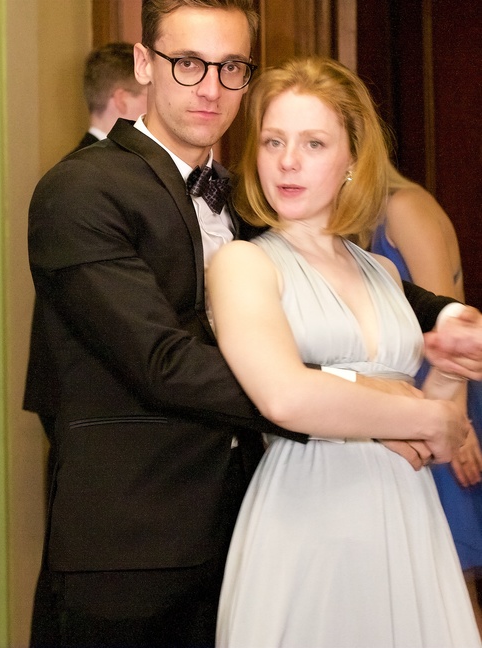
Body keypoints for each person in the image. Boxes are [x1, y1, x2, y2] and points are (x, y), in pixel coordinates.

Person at [27, 1, 478, 645]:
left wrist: (452, 314)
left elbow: (345, 281)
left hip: (252, 522)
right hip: (132, 540)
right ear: (144, 64)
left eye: (231, 67)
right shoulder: (80, 191)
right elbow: (163, 363)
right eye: (188, 63)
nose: (211, 88)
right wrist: (361, 401)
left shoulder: (246, 198)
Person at [210, 56, 479, 646]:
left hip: (406, 516)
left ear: (353, 159)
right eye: (274, 141)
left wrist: (451, 368)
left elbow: (440, 436)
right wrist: (424, 415)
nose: (288, 160)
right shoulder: (243, 263)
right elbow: (284, 397)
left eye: (313, 143)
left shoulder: (383, 271)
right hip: (307, 514)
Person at [371, 164, 482, 631]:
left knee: (452, 581)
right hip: (408, 408)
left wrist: (456, 419)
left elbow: (450, 325)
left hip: (440, 401)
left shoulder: (403, 208)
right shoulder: (365, 223)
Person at [24, 40, 148, 440]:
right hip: (86, 393)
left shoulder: (104, 171)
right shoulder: (83, 181)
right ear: (122, 100)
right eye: (150, 94)